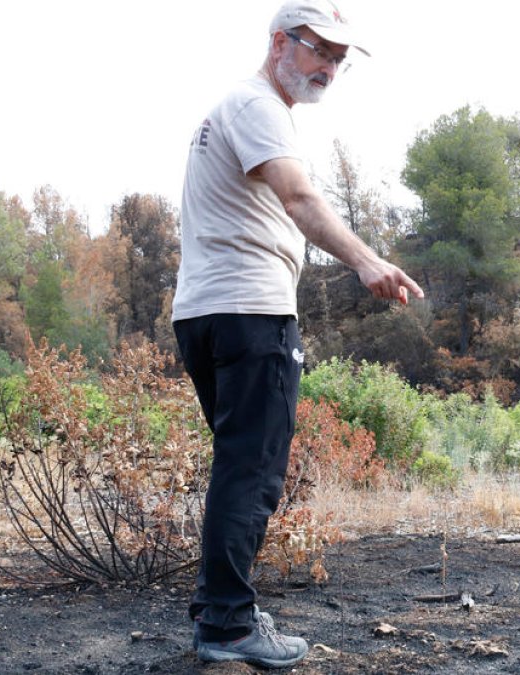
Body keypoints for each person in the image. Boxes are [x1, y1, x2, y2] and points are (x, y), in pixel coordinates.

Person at [171, 0, 423, 667]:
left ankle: (219, 609)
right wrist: (369, 261)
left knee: (238, 467)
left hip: (205, 312)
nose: (331, 68)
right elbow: (300, 198)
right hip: (249, 311)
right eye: (320, 51)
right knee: (253, 473)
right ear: (280, 41)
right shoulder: (257, 107)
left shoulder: (234, 109)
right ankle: (226, 623)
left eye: (340, 59)